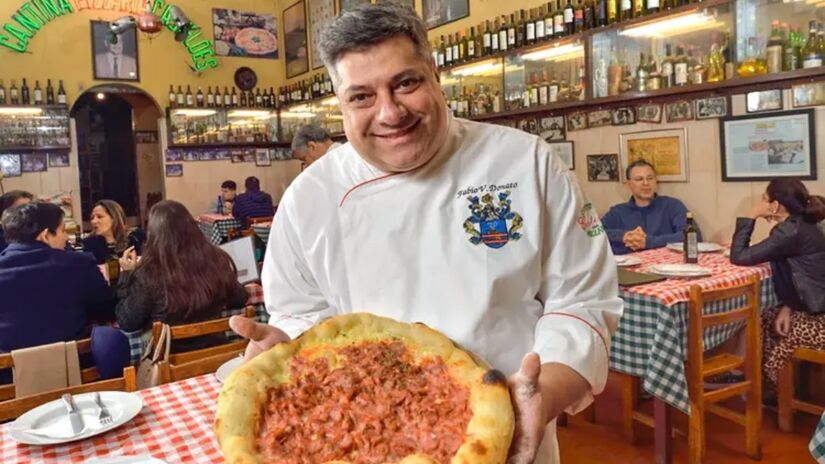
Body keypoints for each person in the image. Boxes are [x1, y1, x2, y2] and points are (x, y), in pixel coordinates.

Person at [228, 5, 622, 463]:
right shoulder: (308, 198)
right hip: (358, 442)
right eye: (361, 97)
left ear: (434, 74)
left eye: (406, 83)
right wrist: (288, 349)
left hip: (509, 439)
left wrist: (543, 397)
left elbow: (583, 301)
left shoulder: (526, 162)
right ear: (339, 102)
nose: (390, 112)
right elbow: (302, 315)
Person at [730, 179, 825, 392]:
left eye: (764, 199)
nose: (761, 203)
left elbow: (739, 256)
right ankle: (762, 384)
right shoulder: (805, 223)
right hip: (811, 307)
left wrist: (750, 216)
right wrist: (788, 306)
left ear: (775, 205)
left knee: (756, 317)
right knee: (762, 315)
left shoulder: (789, 231)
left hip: (818, 319)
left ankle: (770, 387)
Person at [115, 200, 249, 352]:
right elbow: (240, 299)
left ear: (153, 234)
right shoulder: (215, 260)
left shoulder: (148, 273)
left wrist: (126, 275)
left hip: (169, 361)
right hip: (215, 355)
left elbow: (127, 322)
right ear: (193, 228)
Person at [0, 202, 116, 354]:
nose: (67, 237)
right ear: (46, 235)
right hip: (76, 368)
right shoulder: (78, 264)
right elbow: (107, 309)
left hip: (10, 374)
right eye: (63, 231)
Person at [601, 159, 699, 255]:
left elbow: (694, 237)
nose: (646, 183)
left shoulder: (672, 205)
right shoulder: (617, 212)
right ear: (628, 184)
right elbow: (593, 234)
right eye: (639, 179)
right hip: (628, 268)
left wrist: (649, 242)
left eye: (650, 178)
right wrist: (624, 236)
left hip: (667, 267)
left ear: (656, 181)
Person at [81, 200, 144, 265]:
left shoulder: (136, 236)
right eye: (92, 218)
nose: (94, 221)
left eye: (99, 217)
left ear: (114, 218)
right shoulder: (87, 245)